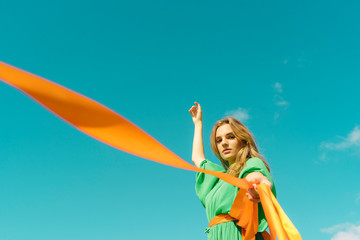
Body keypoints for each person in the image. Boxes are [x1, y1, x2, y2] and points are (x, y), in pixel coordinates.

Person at [189, 102, 276, 240]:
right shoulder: (218, 179)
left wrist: (258, 184)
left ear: (243, 141)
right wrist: (198, 124)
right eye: (218, 140)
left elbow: (255, 174)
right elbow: (197, 158)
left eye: (230, 137)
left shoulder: (251, 163)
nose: (224, 143)